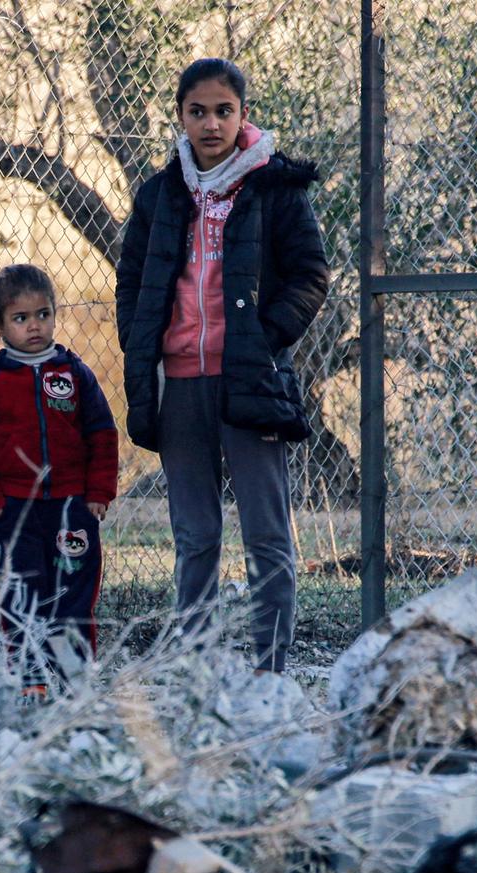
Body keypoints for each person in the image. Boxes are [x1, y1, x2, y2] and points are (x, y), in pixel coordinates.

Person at [114, 57, 329, 674]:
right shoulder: (160, 194)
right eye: (198, 111)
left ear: (243, 114)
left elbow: (311, 274)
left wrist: (262, 339)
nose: (211, 124)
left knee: (266, 535)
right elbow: (133, 278)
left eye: (224, 111)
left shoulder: (276, 189)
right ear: (181, 117)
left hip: (250, 385)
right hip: (180, 386)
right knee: (196, 536)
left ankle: (270, 668)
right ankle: (196, 667)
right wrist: (139, 338)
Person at [0, 265, 118, 700]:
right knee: (20, 595)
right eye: (21, 318)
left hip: (72, 508)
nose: (34, 326)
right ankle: (32, 679)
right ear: (0, 326)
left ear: (55, 314)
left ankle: (73, 679)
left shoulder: (74, 374)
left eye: (43, 315)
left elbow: (101, 433)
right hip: (14, 512)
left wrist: (98, 493)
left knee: (72, 597)